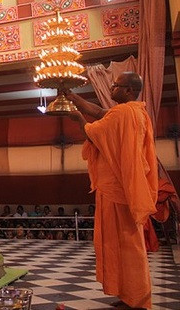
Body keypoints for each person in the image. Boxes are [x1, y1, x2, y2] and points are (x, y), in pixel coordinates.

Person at [65, 72, 157, 309]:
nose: (112, 87)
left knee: (128, 246)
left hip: (117, 189)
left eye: (116, 85)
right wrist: (74, 98)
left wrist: (77, 119)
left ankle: (138, 299)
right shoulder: (135, 111)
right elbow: (99, 113)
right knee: (121, 245)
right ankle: (129, 295)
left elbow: (94, 133)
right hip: (121, 188)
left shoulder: (124, 113)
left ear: (128, 91)